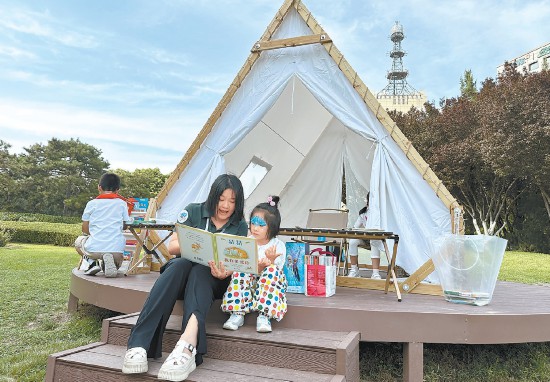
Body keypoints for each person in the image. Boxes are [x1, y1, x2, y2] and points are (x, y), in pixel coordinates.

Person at [122, 174, 248, 382]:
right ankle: (138, 345)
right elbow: (172, 248)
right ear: (213, 196)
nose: (226, 206)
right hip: (181, 276)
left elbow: (236, 263)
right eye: (221, 199)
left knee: (201, 271)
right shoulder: (193, 211)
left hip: (213, 278)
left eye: (232, 201)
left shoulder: (239, 225)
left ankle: (187, 345)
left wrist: (226, 271)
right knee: (179, 264)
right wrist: (199, 242)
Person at [220, 195, 287, 333]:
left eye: (261, 225)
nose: (255, 228)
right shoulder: (247, 242)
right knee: (240, 271)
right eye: (253, 223)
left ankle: (264, 315)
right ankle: (237, 313)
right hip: (249, 283)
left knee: (272, 271)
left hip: (268, 285)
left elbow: (277, 272)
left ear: (272, 227)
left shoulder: (278, 245)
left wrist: (271, 262)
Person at [74, 172, 131, 278]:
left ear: (99, 187)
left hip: (95, 248)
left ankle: (92, 263)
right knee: (115, 260)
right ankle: (110, 262)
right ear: (118, 189)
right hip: (116, 250)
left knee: (79, 242)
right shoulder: (122, 204)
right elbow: (125, 226)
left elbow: (85, 229)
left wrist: (96, 233)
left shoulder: (91, 204)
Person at [347, 195, 382, 279]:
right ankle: (354, 270)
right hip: (366, 238)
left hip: (379, 240)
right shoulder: (364, 213)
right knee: (352, 241)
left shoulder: (381, 212)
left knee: (374, 240)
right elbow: (355, 227)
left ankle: (375, 273)